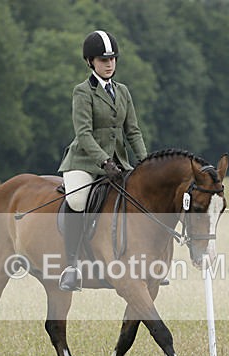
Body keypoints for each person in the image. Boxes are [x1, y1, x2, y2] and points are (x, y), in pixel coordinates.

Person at [57, 30, 148, 291]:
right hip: (85, 161)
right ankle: (72, 266)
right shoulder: (82, 92)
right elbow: (83, 134)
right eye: (102, 60)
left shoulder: (123, 92)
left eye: (112, 59)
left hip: (119, 163)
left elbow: (133, 131)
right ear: (90, 62)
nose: (109, 64)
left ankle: (143, 262)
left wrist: (144, 163)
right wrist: (104, 162)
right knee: (76, 200)